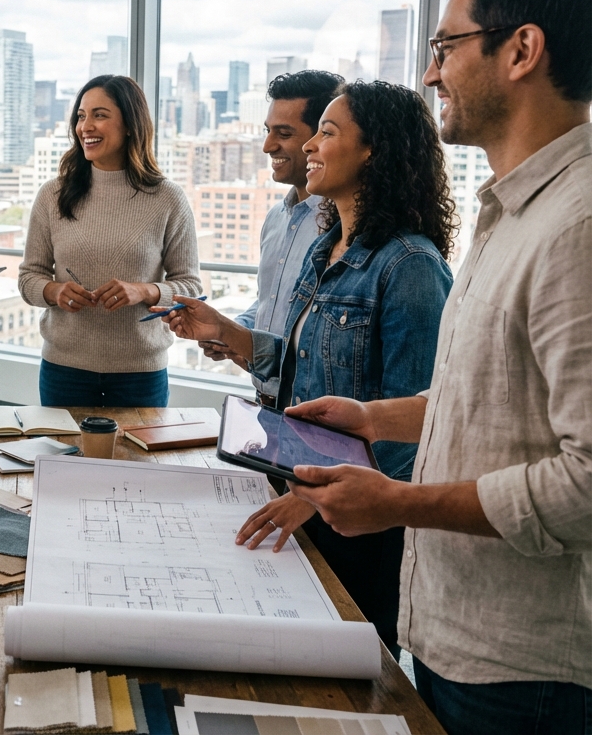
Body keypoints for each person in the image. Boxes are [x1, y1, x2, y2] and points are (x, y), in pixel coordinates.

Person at [277, 0, 591, 735]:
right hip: (455, 635)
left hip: (522, 666)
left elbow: (587, 481)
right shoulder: (512, 210)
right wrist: (375, 418)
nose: (429, 72)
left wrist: (399, 500)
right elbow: (487, 398)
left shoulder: (577, 227)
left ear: (522, 50)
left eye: (446, 46)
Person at [162, 80, 455, 654]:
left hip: (355, 523)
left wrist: (315, 495)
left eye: (327, 131)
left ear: (374, 150)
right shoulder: (325, 251)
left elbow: (415, 429)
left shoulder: (412, 266)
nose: (311, 148)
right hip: (297, 492)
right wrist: (228, 332)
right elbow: (298, 369)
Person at [18, 75, 201, 407]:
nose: (86, 126)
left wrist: (145, 291)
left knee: (135, 461)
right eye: (81, 116)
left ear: (130, 124)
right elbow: (29, 277)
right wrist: (55, 291)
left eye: (99, 115)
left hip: (140, 376)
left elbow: (191, 286)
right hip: (64, 371)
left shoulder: (168, 198)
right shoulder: (52, 195)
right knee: (65, 459)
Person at [213, 70, 344, 402]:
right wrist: (226, 330)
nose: (268, 146)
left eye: (283, 133)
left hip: (313, 408)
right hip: (265, 400)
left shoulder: (343, 226)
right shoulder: (275, 218)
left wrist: (236, 335)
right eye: (268, 131)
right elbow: (270, 300)